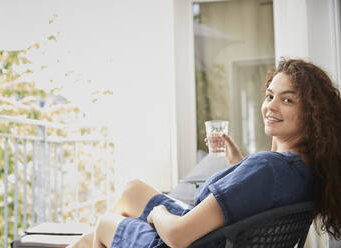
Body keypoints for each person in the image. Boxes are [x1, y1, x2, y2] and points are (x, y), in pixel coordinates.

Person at [86, 59, 341, 248]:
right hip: (213, 237)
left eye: (287, 100)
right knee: (132, 190)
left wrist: (156, 215)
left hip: (185, 241)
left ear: (312, 112)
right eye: (269, 95)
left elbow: (177, 236)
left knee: (104, 224)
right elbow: (260, 196)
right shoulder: (306, 171)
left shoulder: (268, 168)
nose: (270, 106)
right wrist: (238, 164)